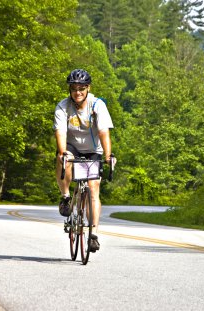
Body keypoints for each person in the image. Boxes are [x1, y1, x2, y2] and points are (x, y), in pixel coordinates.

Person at [53, 68, 114, 252]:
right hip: (71, 146)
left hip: (93, 150)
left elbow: (104, 132)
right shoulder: (63, 107)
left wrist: (108, 155)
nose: (77, 92)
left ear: (88, 88)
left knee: (94, 187)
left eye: (81, 88)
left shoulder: (97, 106)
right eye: (73, 88)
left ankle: (93, 235)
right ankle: (65, 197)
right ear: (69, 90)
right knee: (64, 159)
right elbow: (60, 132)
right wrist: (63, 152)